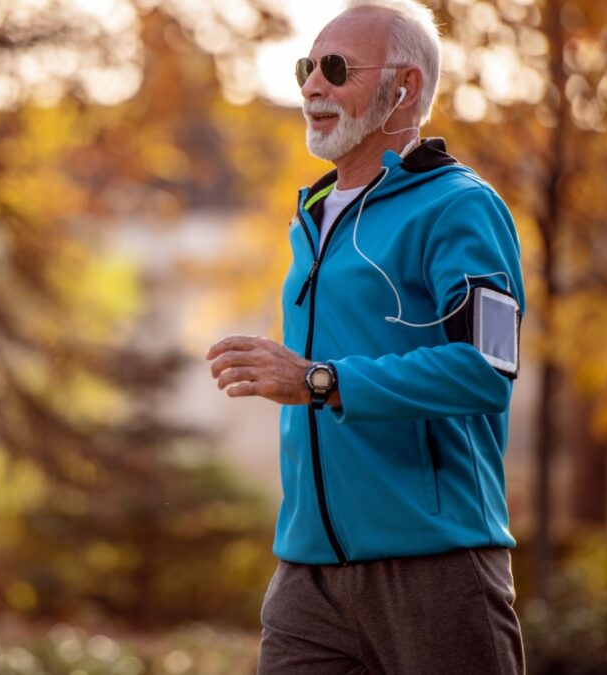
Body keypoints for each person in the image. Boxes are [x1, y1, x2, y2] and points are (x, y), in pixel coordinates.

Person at [205, 1, 526, 673]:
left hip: (436, 565)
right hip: (307, 575)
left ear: (403, 87)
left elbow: (486, 369)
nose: (311, 87)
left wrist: (319, 380)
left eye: (334, 69)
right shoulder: (311, 220)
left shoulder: (459, 205)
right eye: (305, 69)